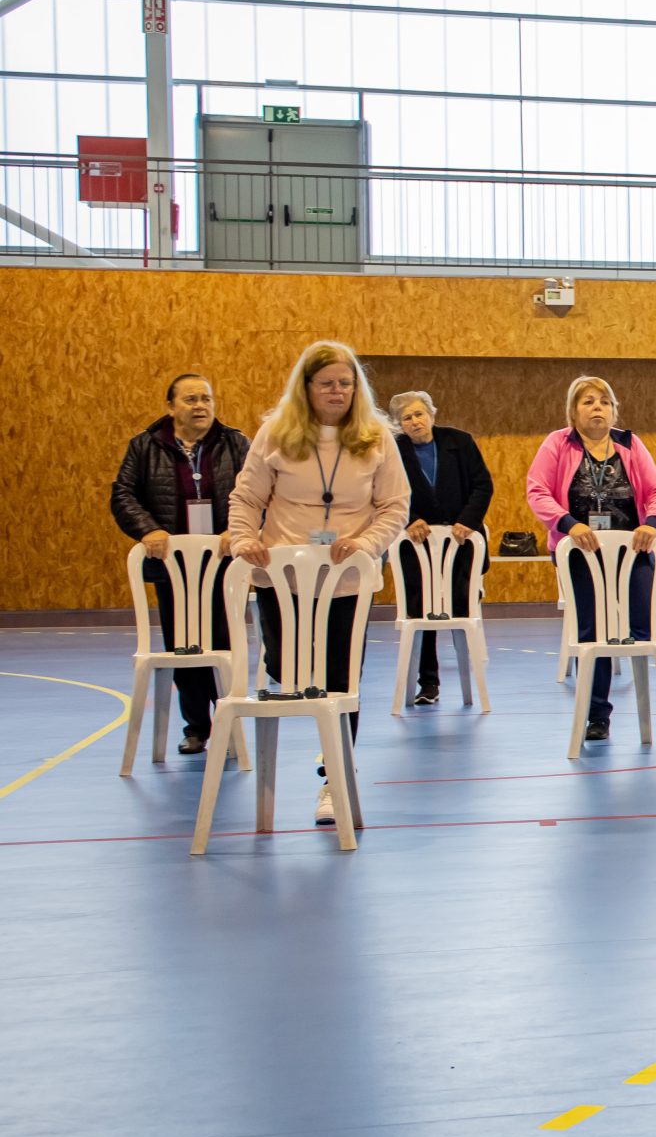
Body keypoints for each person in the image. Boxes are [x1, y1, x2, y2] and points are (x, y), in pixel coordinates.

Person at [225, 342, 410, 824]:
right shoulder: (275, 434)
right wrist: (243, 538)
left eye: (345, 383)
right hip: (280, 576)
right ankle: (323, 744)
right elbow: (246, 498)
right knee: (289, 670)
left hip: (345, 579)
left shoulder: (376, 438)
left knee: (340, 680)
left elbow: (395, 506)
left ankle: (335, 776)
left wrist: (368, 542)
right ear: (306, 388)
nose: (337, 391)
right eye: (326, 383)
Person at [526, 376, 656, 743]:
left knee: (643, 630)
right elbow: (537, 491)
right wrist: (568, 524)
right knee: (593, 633)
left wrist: (653, 525)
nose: (597, 408)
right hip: (581, 554)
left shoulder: (629, 443)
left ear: (614, 410)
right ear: (573, 412)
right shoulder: (557, 443)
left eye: (604, 402)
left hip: (630, 551)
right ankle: (596, 714)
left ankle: (647, 644)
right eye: (588, 402)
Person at [109, 371, 250, 754]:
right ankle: (196, 728)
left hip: (224, 567)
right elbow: (122, 495)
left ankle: (229, 721)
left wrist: (237, 529)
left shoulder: (236, 443)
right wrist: (147, 530)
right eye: (190, 399)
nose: (201, 406)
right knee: (184, 648)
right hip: (172, 569)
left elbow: (261, 492)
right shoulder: (144, 446)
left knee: (224, 644)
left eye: (206, 398)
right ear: (171, 407)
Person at [388, 391, 494, 707]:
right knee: (423, 612)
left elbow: (482, 485)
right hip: (416, 550)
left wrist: (468, 521)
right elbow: (383, 492)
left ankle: (471, 680)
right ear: (399, 424)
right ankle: (428, 683)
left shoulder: (459, 442)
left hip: (461, 548)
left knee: (461, 609)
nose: (415, 421)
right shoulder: (393, 450)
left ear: (432, 415)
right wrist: (409, 519)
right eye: (407, 418)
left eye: (420, 414)